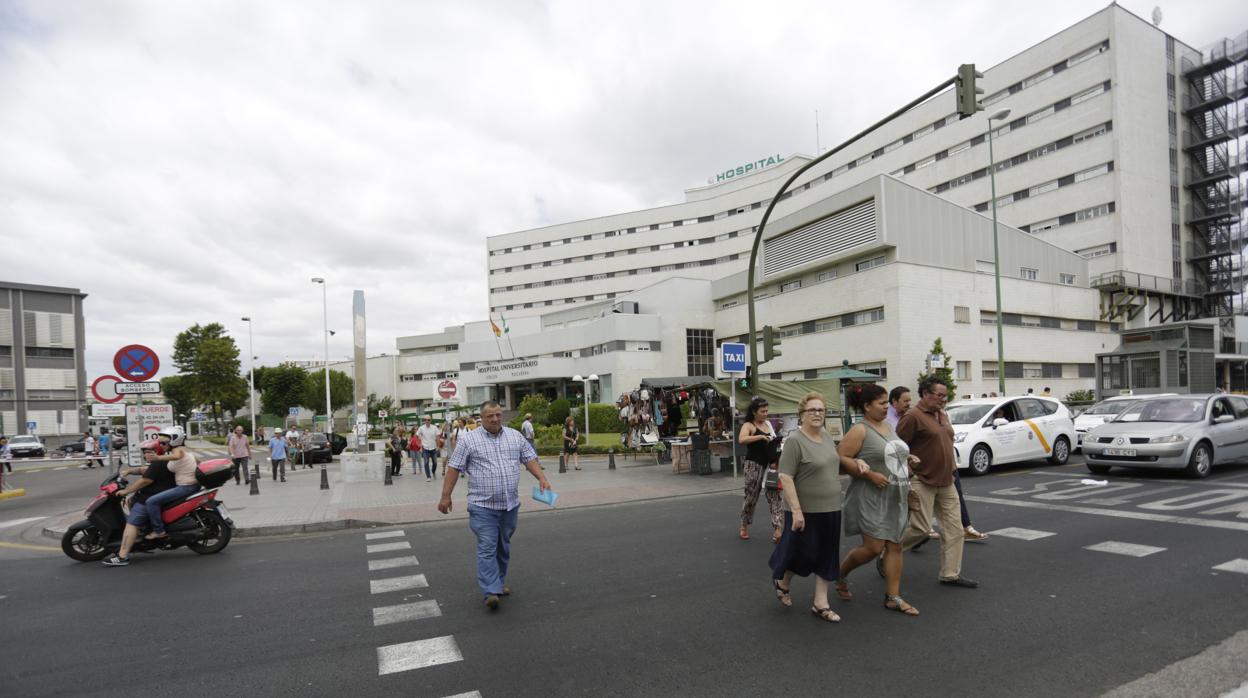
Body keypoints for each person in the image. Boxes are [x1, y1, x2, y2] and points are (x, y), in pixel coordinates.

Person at [438, 401, 551, 609]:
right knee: (487, 546)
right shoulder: (469, 440)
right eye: (490, 416)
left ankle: (497, 582)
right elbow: (454, 468)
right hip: (482, 506)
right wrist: (446, 496)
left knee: (503, 546)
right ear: (482, 418)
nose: (495, 419)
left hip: (510, 505)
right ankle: (491, 590)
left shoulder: (514, 436)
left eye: (498, 415)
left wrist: (542, 479)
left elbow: (529, 458)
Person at [769, 392, 866, 623]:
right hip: (805, 510)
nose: (817, 414)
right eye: (812, 410)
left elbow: (831, 467)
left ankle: (820, 604)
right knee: (803, 554)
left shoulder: (825, 437)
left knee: (826, 554)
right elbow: (786, 476)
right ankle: (783, 581)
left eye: (821, 410)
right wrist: (797, 511)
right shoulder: (795, 441)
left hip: (831, 507)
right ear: (801, 414)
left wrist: (857, 462)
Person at [837, 384, 920, 616]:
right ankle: (840, 574)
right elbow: (841, 458)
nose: (887, 407)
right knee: (873, 548)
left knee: (895, 545)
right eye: (882, 403)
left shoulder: (887, 426)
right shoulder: (860, 430)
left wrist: (908, 459)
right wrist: (869, 474)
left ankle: (893, 597)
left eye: (886, 403)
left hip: (896, 494)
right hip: (870, 496)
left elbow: (890, 453)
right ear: (866, 406)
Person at [896, 376, 978, 589]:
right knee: (921, 529)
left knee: (955, 530)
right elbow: (897, 448)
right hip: (922, 481)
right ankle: (889, 550)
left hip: (947, 481)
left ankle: (950, 574)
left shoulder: (942, 414)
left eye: (945, 396)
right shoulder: (912, 416)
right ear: (925, 394)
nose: (943, 399)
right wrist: (910, 470)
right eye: (939, 395)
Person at [102, 440, 177, 566]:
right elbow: (145, 470)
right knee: (132, 502)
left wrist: (126, 491)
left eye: (149, 452)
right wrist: (129, 471)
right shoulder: (159, 462)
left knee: (132, 523)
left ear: (157, 452)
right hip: (152, 495)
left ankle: (122, 557)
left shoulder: (158, 463)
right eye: (144, 452)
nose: (145, 455)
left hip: (150, 498)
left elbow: (144, 481)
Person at [137, 426, 199, 541]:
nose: (161, 445)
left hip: (186, 487)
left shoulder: (177, 450)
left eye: (164, 443)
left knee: (151, 502)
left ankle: (159, 531)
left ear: (173, 441)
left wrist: (158, 457)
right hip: (191, 485)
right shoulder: (185, 450)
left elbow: (176, 456)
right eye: (160, 443)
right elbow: (198, 461)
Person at [737, 396, 782, 543]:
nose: (765, 414)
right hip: (753, 465)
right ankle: (744, 523)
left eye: (767, 411)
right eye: (762, 411)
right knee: (751, 496)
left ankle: (777, 528)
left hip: (771, 466)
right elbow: (742, 439)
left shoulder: (768, 424)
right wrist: (760, 437)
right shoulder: (749, 425)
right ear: (754, 412)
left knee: (775, 496)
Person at [418, 416, 441, 482]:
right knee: (426, 462)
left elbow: (438, 437)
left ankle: (433, 471)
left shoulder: (434, 427)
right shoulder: (421, 428)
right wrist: (420, 444)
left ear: (431, 420)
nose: (427, 421)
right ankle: (428, 476)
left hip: (433, 448)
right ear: (424, 420)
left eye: (428, 420)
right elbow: (416, 435)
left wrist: (438, 446)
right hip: (425, 448)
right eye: (425, 420)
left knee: (435, 463)